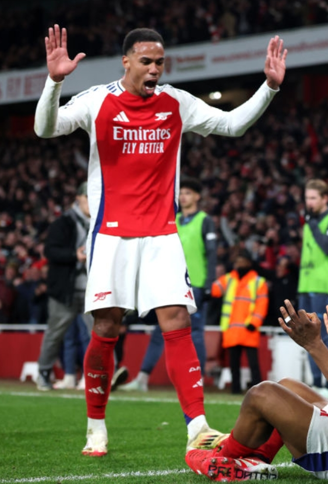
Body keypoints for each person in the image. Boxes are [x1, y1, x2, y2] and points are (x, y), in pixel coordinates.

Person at [34, 25, 286, 456]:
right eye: (147, 61)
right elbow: (46, 128)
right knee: (107, 328)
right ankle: (96, 425)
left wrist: (269, 88)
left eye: (160, 63)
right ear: (127, 61)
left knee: (176, 322)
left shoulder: (176, 102)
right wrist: (54, 82)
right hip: (111, 237)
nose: (154, 69)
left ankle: (198, 426)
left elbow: (232, 125)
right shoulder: (97, 100)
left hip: (161, 235)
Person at [185, 252, 328, 482]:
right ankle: (255, 459)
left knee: (262, 394)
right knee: (288, 387)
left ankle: (223, 459)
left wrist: (314, 345)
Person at [120, 177, 218, 392]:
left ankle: (196, 381)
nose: (183, 196)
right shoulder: (173, 219)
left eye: (188, 193)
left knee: (196, 333)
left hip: (196, 284)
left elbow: (211, 254)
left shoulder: (204, 220)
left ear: (197, 197)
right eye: (181, 193)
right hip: (171, 282)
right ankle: (143, 379)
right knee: (160, 330)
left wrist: (210, 283)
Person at [35, 182, 94, 391]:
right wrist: (74, 256)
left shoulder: (102, 221)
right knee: (55, 333)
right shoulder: (64, 223)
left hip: (92, 290)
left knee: (100, 333)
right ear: (78, 198)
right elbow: (50, 251)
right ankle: (43, 372)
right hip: (65, 290)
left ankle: (104, 375)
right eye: (88, 196)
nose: (91, 201)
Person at [298, 178, 328, 396]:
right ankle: (317, 384)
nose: (309, 202)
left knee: (326, 335)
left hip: (325, 286)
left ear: (325, 198)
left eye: (313, 198)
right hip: (306, 285)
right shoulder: (310, 221)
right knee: (308, 335)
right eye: (307, 198)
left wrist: (313, 224)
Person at [211, 250, 268, 394]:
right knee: (233, 364)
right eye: (236, 261)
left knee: (253, 364)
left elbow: (262, 305)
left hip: (249, 329)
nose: (237, 263)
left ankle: (259, 392)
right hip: (232, 330)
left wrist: (254, 322)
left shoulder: (257, 282)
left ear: (249, 262)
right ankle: (235, 390)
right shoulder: (229, 278)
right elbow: (214, 290)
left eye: (240, 260)